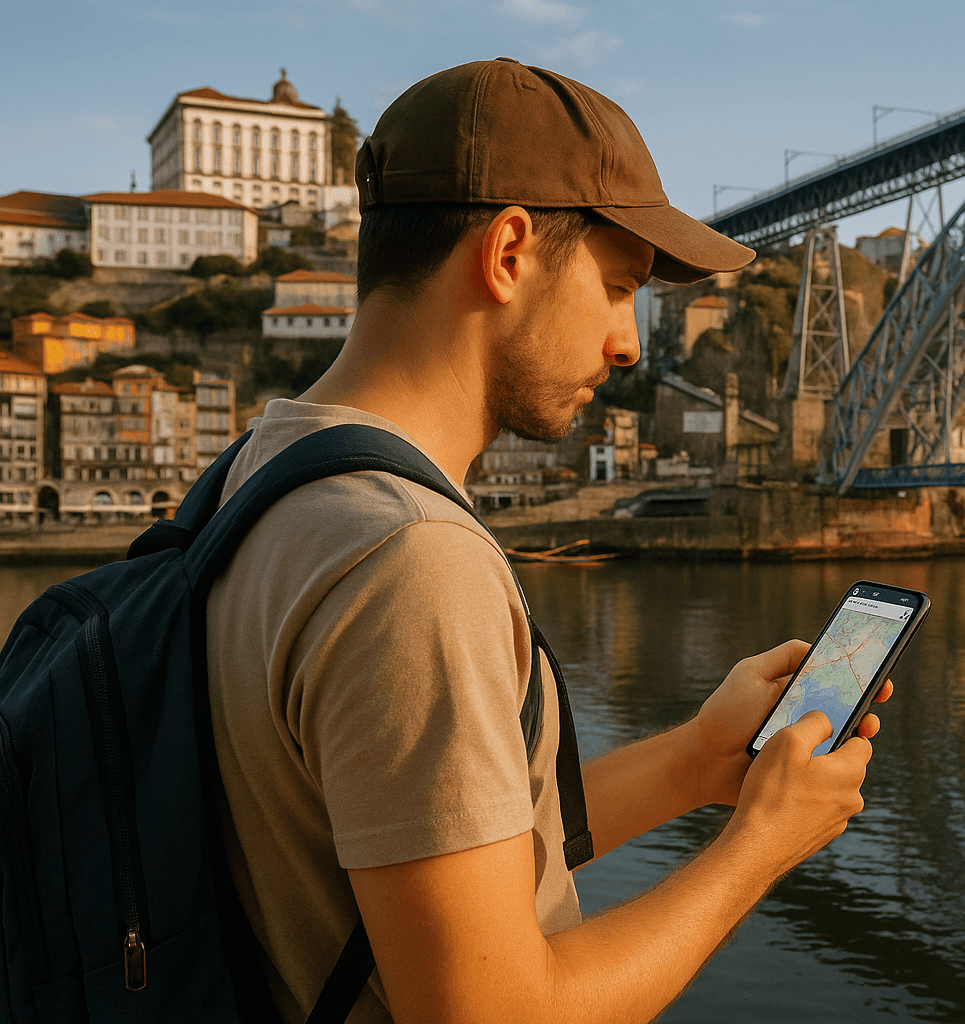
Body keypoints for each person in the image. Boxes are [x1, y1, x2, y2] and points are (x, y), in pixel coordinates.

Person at [205, 59, 889, 1024]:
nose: (630, 343)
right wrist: (758, 848)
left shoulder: (259, 480)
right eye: (618, 287)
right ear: (509, 251)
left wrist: (697, 760)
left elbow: (419, 849)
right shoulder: (410, 563)